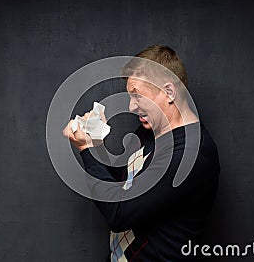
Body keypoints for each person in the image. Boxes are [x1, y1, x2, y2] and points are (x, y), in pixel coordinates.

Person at [63, 45, 220, 261]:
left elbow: (120, 213)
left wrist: (86, 150)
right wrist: (96, 141)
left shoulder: (190, 155)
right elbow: (121, 187)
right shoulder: (151, 133)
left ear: (169, 92)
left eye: (137, 96)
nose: (131, 106)